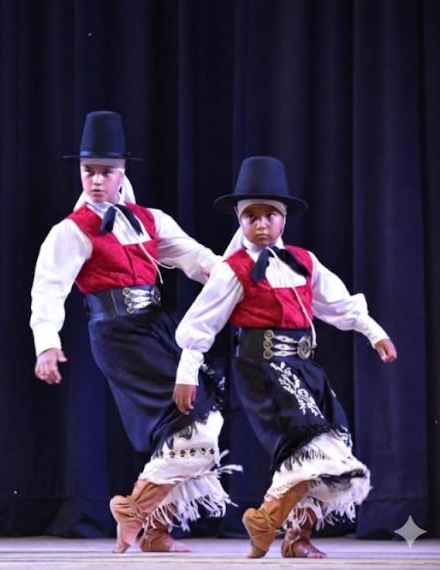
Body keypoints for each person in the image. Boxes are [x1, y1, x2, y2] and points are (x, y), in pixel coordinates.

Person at [31, 110, 238, 553]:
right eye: (89, 171)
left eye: (106, 171)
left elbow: (198, 259)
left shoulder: (149, 219)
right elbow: (48, 290)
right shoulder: (71, 232)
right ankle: (135, 512)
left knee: (197, 418)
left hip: (155, 327)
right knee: (194, 418)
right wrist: (47, 345)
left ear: (122, 172)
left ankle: (154, 527)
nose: (97, 181)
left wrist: (239, 278)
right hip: (117, 335)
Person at [173, 155, 397, 558]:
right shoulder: (234, 270)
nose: (261, 224)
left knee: (334, 441)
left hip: (303, 367)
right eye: (251, 216)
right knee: (309, 443)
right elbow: (201, 323)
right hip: (262, 368)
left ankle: (292, 535)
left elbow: (340, 305)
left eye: (270, 215)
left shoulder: (303, 262)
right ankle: (268, 519)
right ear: (240, 221)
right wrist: (187, 373)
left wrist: (374, 333)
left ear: (284, 217)